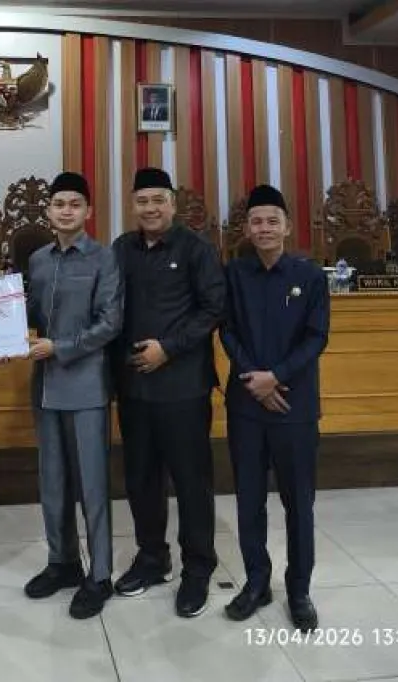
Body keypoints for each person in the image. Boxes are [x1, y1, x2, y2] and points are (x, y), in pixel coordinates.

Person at [111, 167, 225, 618]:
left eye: (158, 199)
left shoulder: (197, 249)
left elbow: (213, 308)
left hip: (183, 387)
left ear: (173, 204)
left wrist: (168, 348)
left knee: (191, 481)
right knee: (141, 479)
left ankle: (198, 568)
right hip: (134, 388)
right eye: (142, 201)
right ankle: (152, 558)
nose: (150, 208)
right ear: (132, 205)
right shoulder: (122, 248)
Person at [220, 184, 330, 633]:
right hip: (247, 405)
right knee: (249, 500)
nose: (264, 228)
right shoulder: (234, 273)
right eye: (256, 221)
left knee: (298, 503)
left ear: (287, 227)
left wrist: (276, 376)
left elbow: (316, 337)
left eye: (272, 221)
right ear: (246, 229)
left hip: (294, 407)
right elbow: (227, 331)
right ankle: (256, 582)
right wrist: (255, 379)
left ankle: (299, 590)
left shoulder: (310, 275)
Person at [24, 171, 123, 619]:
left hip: (86, 387)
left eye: (74, 204)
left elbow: (110, 322)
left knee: (92, 485)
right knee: (53, 482)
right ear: (48, 211)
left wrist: (59, 348)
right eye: (59, 204)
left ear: (88, 211)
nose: (66, 211)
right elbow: (27, 312)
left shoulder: (104, 258)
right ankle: (62, 562)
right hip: (44, 387)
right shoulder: (38, 260)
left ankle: (99, 574)